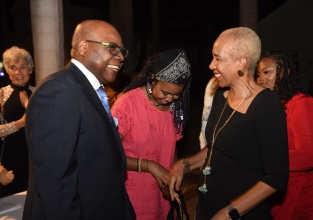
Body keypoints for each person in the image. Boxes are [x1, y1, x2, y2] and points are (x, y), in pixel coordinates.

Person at [168, 27, 289, 220]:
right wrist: (184, 165)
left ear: (241, 62)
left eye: (218, 58)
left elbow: (276, 178)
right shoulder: (221, 97)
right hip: (208, 208)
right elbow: (217, 147)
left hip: (240, 215)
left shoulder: (267, 105)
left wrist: (229, 212)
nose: (211, 65)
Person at [22, 20, 135, 220]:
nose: (120, 57)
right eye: (113, 48)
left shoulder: (89, 90)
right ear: (83, 47)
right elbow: (56, 183)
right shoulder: (59, 91)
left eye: (122, 51)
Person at [111, 49, 191, 220]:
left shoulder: (175, 109)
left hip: (163, 201)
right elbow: (109, 155)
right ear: (153, 78)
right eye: (165, 93)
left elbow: (171, 148)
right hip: (133, 199)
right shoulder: (127, 104)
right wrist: (149, 166)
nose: (170, 99)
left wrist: (175, 175)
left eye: (176, 95)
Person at [256, 51, 313, 220]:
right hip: (276, 192)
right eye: (258, 75)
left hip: (298, 197)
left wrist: (261, 159)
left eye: (266, 72)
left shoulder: (302, 104)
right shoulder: (275, 105)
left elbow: (311, 156)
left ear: (284, 72)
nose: (260, 79)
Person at [0, 46, 33, 197]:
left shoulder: (38, 92)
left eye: (23, 67)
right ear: (7, 71)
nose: (18, 72)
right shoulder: (1, 94)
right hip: (8, 165)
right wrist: (21, 123)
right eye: (13, 68)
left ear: (30, 70)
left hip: (34, 162)